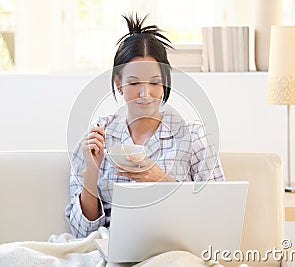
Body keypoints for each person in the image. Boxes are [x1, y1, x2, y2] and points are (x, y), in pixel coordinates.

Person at [65, 14, 225, 238]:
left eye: (154, 82)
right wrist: (91, 171)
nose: (145, 94)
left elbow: (218, 214)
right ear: (118, 83)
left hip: (174, 248)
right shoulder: (98, 134)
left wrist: (160, 179)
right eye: (134, 83)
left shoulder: (194, 135)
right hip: (109, 249)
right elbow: (82, 232)